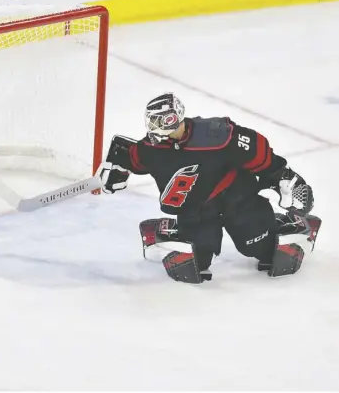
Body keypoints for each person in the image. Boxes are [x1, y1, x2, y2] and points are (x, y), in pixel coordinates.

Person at [97, 93, 321, 284]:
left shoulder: (218, 136)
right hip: (198, 212)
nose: (153, 128)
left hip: (239, 200)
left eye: (160, 121)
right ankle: (183, 236)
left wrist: (284, 178)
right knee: (193, 264)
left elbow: (258, 151)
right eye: (151, 121)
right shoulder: (150, 149)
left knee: (263, 248)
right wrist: (116, 168)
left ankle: (288, 226)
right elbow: (130, 157)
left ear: (175, 118)